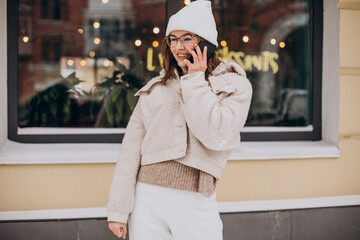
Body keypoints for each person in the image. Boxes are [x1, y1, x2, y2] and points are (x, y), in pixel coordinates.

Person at [107, 1, 252, 239]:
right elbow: (131, 150)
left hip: (195, 196)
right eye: (172, 39)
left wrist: (195, 79)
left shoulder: (234, 86)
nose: (178, 46)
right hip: (147, 200)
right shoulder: (156, 88)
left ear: (205, 41)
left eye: (187, 38)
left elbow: (215, 135)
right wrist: (118, 210)